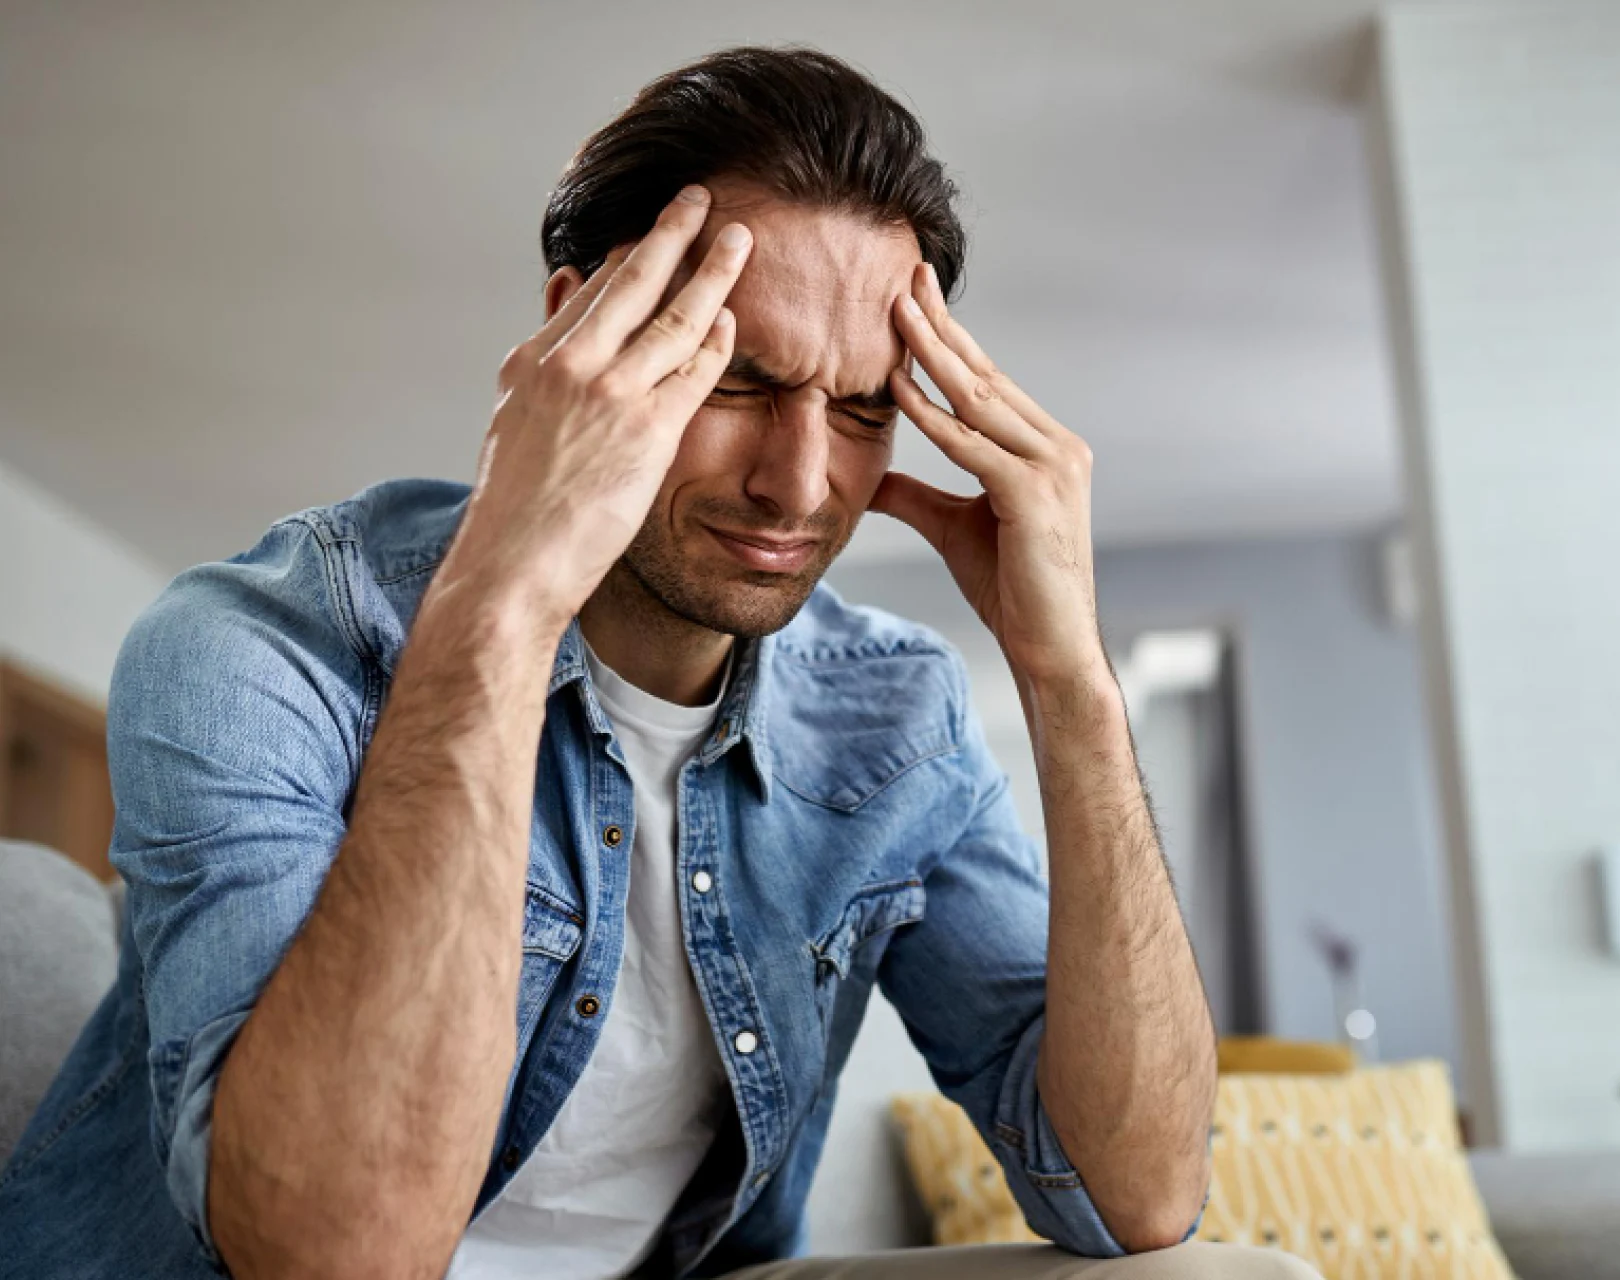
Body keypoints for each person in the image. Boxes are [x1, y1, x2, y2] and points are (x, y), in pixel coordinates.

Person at [0, 46, 1314, 1280]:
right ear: (583, 336)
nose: (801, 485)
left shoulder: (894, 718)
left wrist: (1071, 684)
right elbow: (333, 1254)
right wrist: (505, 602)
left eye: (861, 410)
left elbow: (1131, 1195)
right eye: (738, 380)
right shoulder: (256, 645)